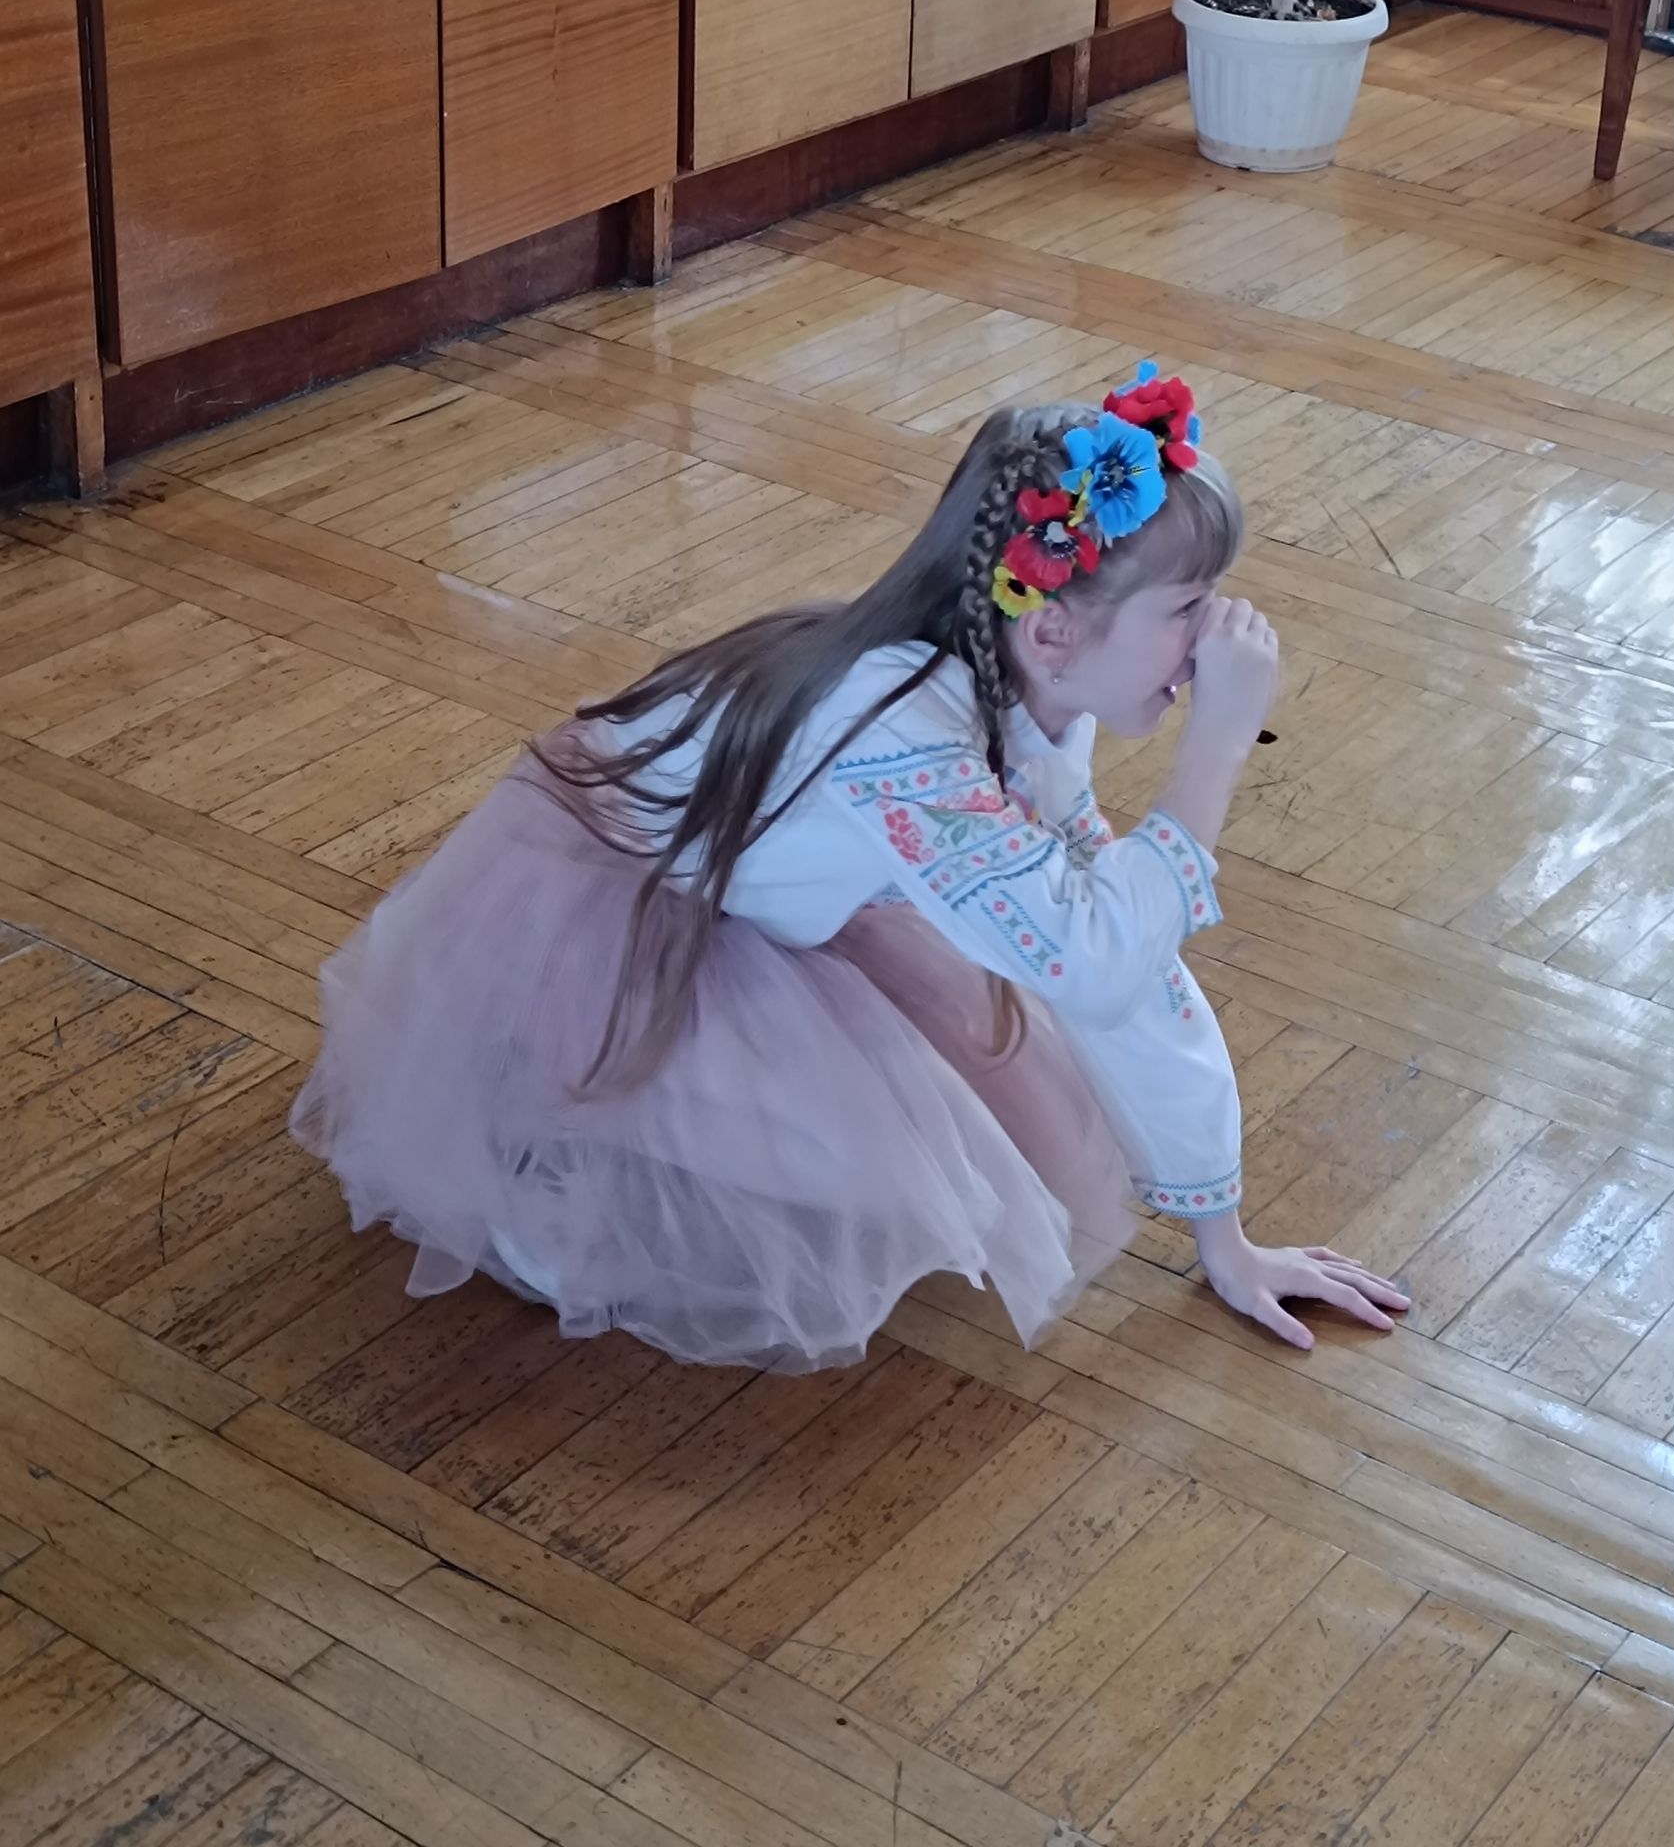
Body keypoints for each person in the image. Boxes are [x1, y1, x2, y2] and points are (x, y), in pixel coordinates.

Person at [292, 366, 1410, 1373]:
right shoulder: (897, 740)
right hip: (618, 913)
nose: (1218, 643)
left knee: (997, 1074)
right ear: (1053, 630)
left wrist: (1226, 1237)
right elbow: (1095, 961)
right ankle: (541, 1117)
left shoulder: (1025, 700)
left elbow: (1125, 968)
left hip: (787, 897)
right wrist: (1215, 752)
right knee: (860, 1160)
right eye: (1189, 610)